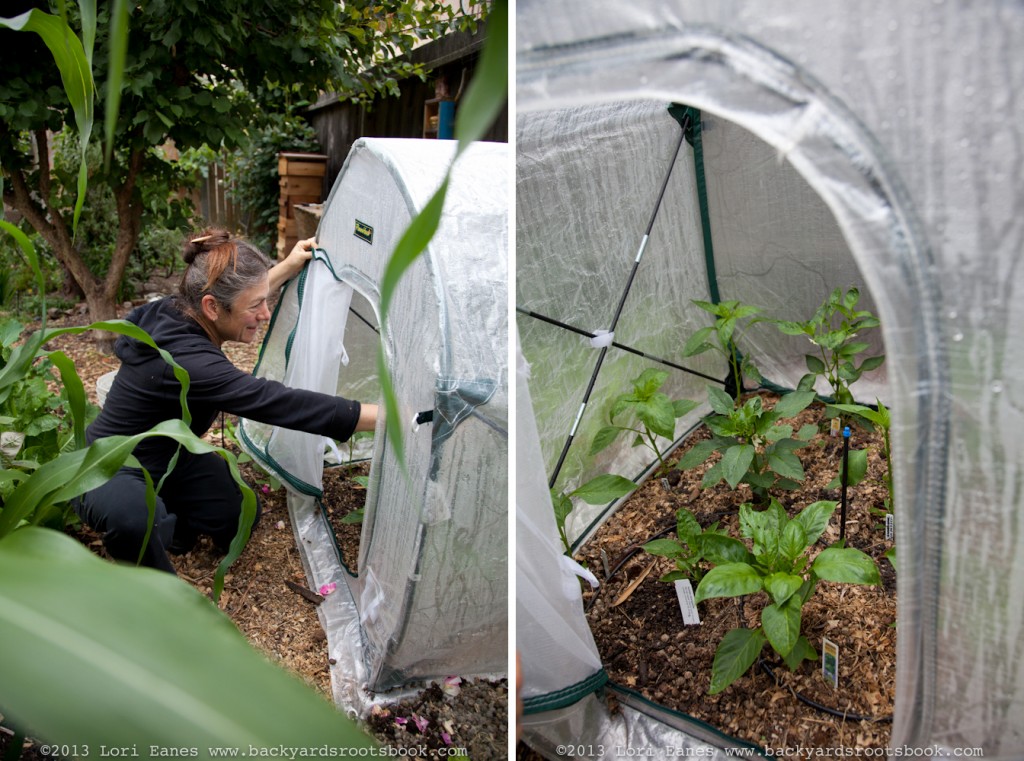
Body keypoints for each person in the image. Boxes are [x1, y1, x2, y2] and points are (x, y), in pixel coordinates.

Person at [75, 229, 378, 573]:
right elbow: (276, 402)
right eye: (256, 305)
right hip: (111, 464)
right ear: (212, 307)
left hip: (172, 454)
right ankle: (156, 593)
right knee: (138, 519)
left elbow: (235, 299)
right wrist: (385, 416)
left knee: (239, 514)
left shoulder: (180, 308)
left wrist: (288, 266)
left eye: (265, 300)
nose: (265, 314)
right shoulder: (188, 362)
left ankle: (175, 526)